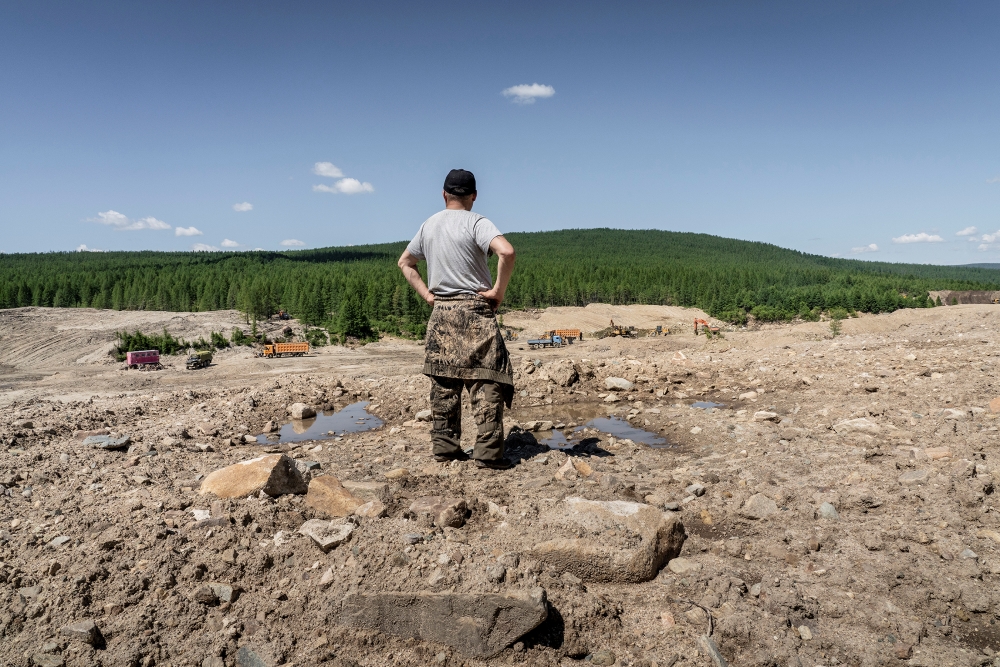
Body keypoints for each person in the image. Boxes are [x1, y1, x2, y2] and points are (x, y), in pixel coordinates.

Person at [397, 169, 517, 470]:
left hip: (442, 312)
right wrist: (497, 292)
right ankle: (488, 454)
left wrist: (427, 295)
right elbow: (507, 252)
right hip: (476, 310)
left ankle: (445, 449)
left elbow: (405, 262)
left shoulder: (429, 225)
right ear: (474, 195)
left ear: (443, 194)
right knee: (485, 378)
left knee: (444, 382)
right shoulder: (477, 221)